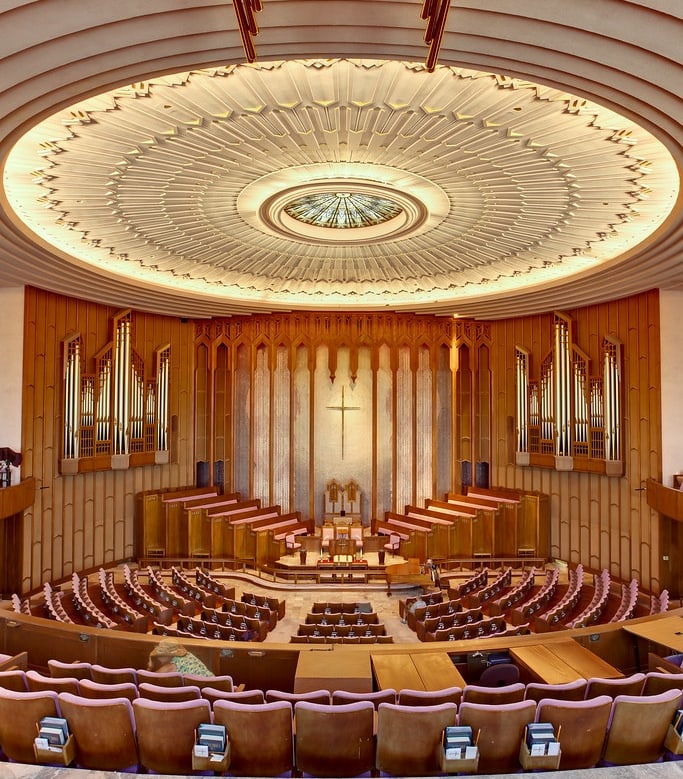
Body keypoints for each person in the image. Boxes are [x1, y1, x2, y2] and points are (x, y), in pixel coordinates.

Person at [147, 638, 214, 676]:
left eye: (160, 656)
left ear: (168, 655)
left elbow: (152, 678)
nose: (158, 658)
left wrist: (150, 664)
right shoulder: (187, 654)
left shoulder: (172, 665)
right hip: (213, 681)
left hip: (210, 687)